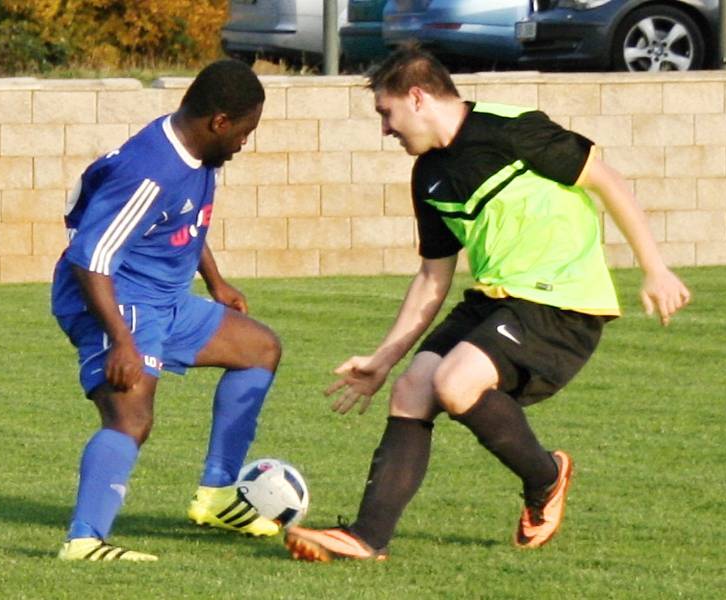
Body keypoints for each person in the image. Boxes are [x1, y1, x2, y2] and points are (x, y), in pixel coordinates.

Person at [284, 46, 691, 562]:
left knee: (456, 383)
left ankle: (547, 476)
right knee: (413, 388)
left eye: (386, 114)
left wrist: (654, 268)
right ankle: (367, 537)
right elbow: (433, 276)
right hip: (496, 298)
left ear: (416, 97)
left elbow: (606, 180)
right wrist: (383, 360)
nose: (385, 130)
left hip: (562, 302)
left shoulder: (512, 129)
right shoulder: (428, 176)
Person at [52, 59, 282, 562]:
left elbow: (182, 222)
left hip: (165, 297)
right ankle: (84, 539)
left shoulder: (196, 155)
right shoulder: (150, 170)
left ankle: (218, 495)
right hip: (118, 299)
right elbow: (89, 257)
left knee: (259, 348)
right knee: (131, 416)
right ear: (220, 122)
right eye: (245, 131)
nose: (246, 142)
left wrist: (215, 281)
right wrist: (121, 340)